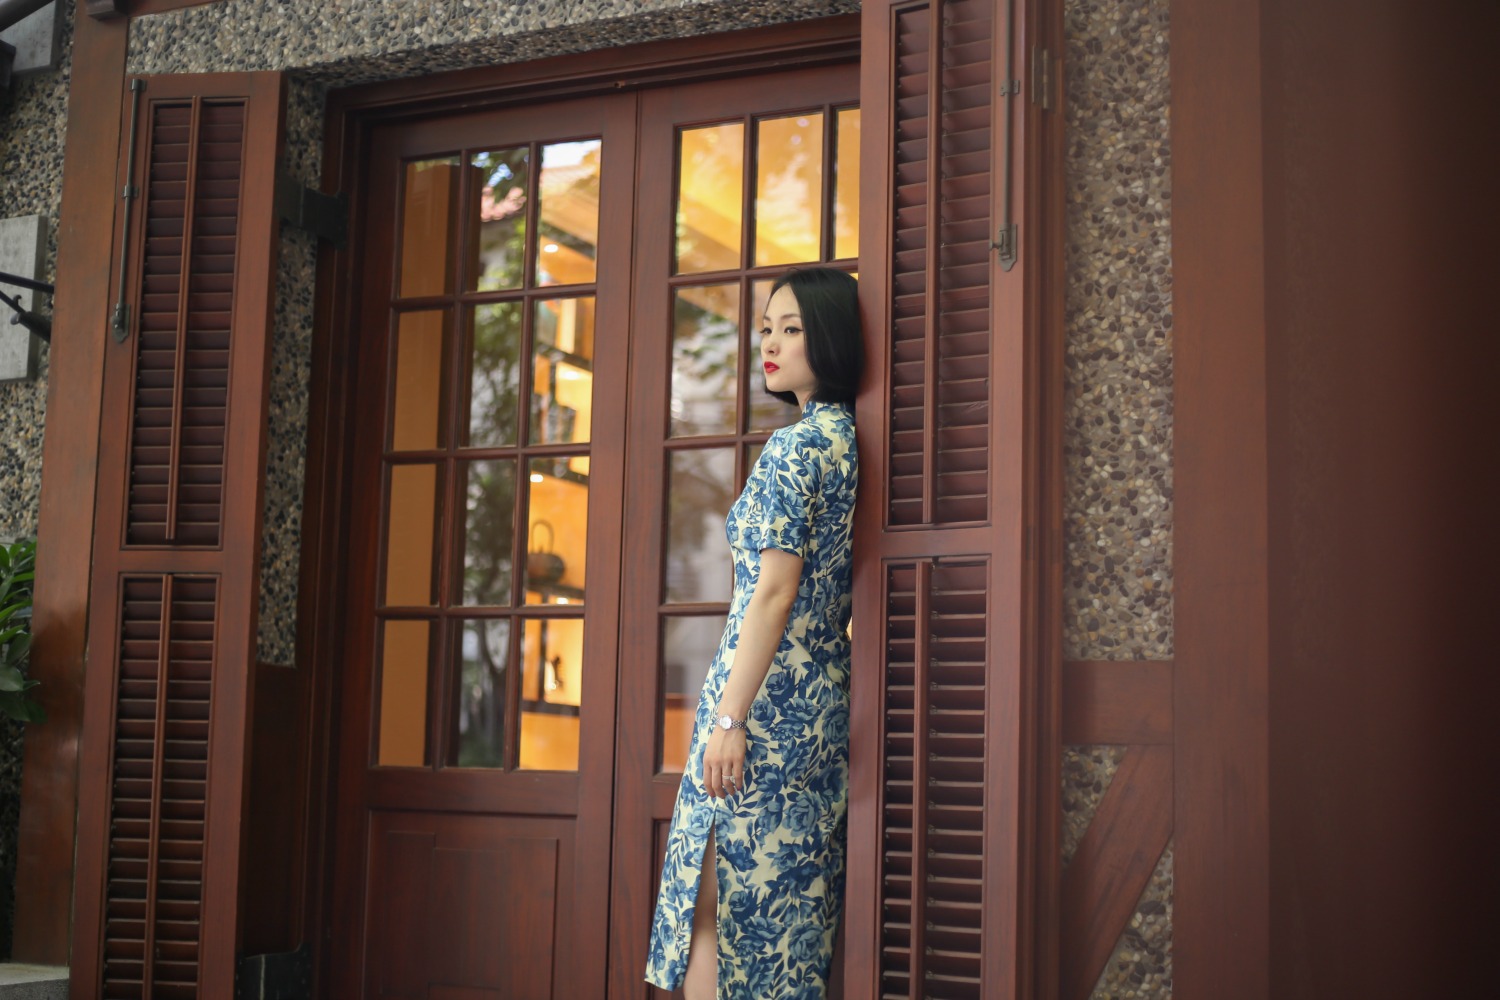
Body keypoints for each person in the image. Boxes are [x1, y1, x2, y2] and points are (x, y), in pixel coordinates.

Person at [645, 267, 862, 999]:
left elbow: (773, 591)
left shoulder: (798, 448)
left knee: (717, 910)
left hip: (765, 708)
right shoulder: (846, 442)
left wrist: (730, 718)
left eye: (792, 328)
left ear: (830, 338)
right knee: (778, 923)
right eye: (767, 327)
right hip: (817, 705)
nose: (770, 343)